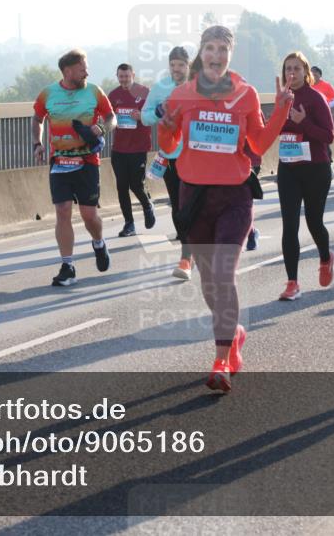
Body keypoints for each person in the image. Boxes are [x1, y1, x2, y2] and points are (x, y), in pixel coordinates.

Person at [158, 25, 293, 392]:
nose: (216, 55)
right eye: (210, 49)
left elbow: (259, 143)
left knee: (223, 272)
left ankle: (221, 360)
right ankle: (233, 333)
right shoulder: (182, 95)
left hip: (234, 196)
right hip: (194, 197)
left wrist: (279, 112)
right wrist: (166, 130)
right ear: (201, 54)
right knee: (207, 281)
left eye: (223, 49)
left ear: (230, 54)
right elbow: (168, 144)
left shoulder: (246, 94)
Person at [32, 49, 116, 286]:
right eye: (82, 69)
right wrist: (36, 143)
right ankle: (67, 265)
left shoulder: (93, 91)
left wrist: (102, 128)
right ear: (68, 71)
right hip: (59, 161)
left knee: (89, 216)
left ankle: (98, 242)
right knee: (63, 210)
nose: (86, 72)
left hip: (87, 162)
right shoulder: (48, 93)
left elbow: (112, 117)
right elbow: (37, 118)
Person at [276, 52, 334, 301]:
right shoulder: (282, 98)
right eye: (288, 68)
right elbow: (272, 130)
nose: (292, 73)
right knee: (290, 225)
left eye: (297, 69)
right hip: (288, 168)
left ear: (305, 72)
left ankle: (325, 257)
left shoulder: (315, 98)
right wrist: (278, 112)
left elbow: (329, 136)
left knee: (314, 222)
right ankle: (292, 283)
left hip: (315, 168)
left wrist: (303, 122)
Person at [141, 46, 193, 279]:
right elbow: (144, 116)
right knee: (178, 206)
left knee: (197, 204)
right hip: (171, 155)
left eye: (181, 65)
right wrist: (158, 112)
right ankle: (186, 258)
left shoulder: (199, 87)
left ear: (188, 66)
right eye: (173, 65)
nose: (176, 69)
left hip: (197, 154)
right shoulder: (160, 88)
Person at [108, 63, 155, 237]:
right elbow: (107, 117)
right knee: (122, 187)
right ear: (117, 76)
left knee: (136, 185)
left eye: (127, 76)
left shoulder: (145, 93)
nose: (124, 80)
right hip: (119, 149)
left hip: (138, 148)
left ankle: (147, 205)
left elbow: (154, 116)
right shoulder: (113, 95)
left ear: (133, 75)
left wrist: (141, 116)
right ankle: (129, 224)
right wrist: (108, 123)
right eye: (121, 76)